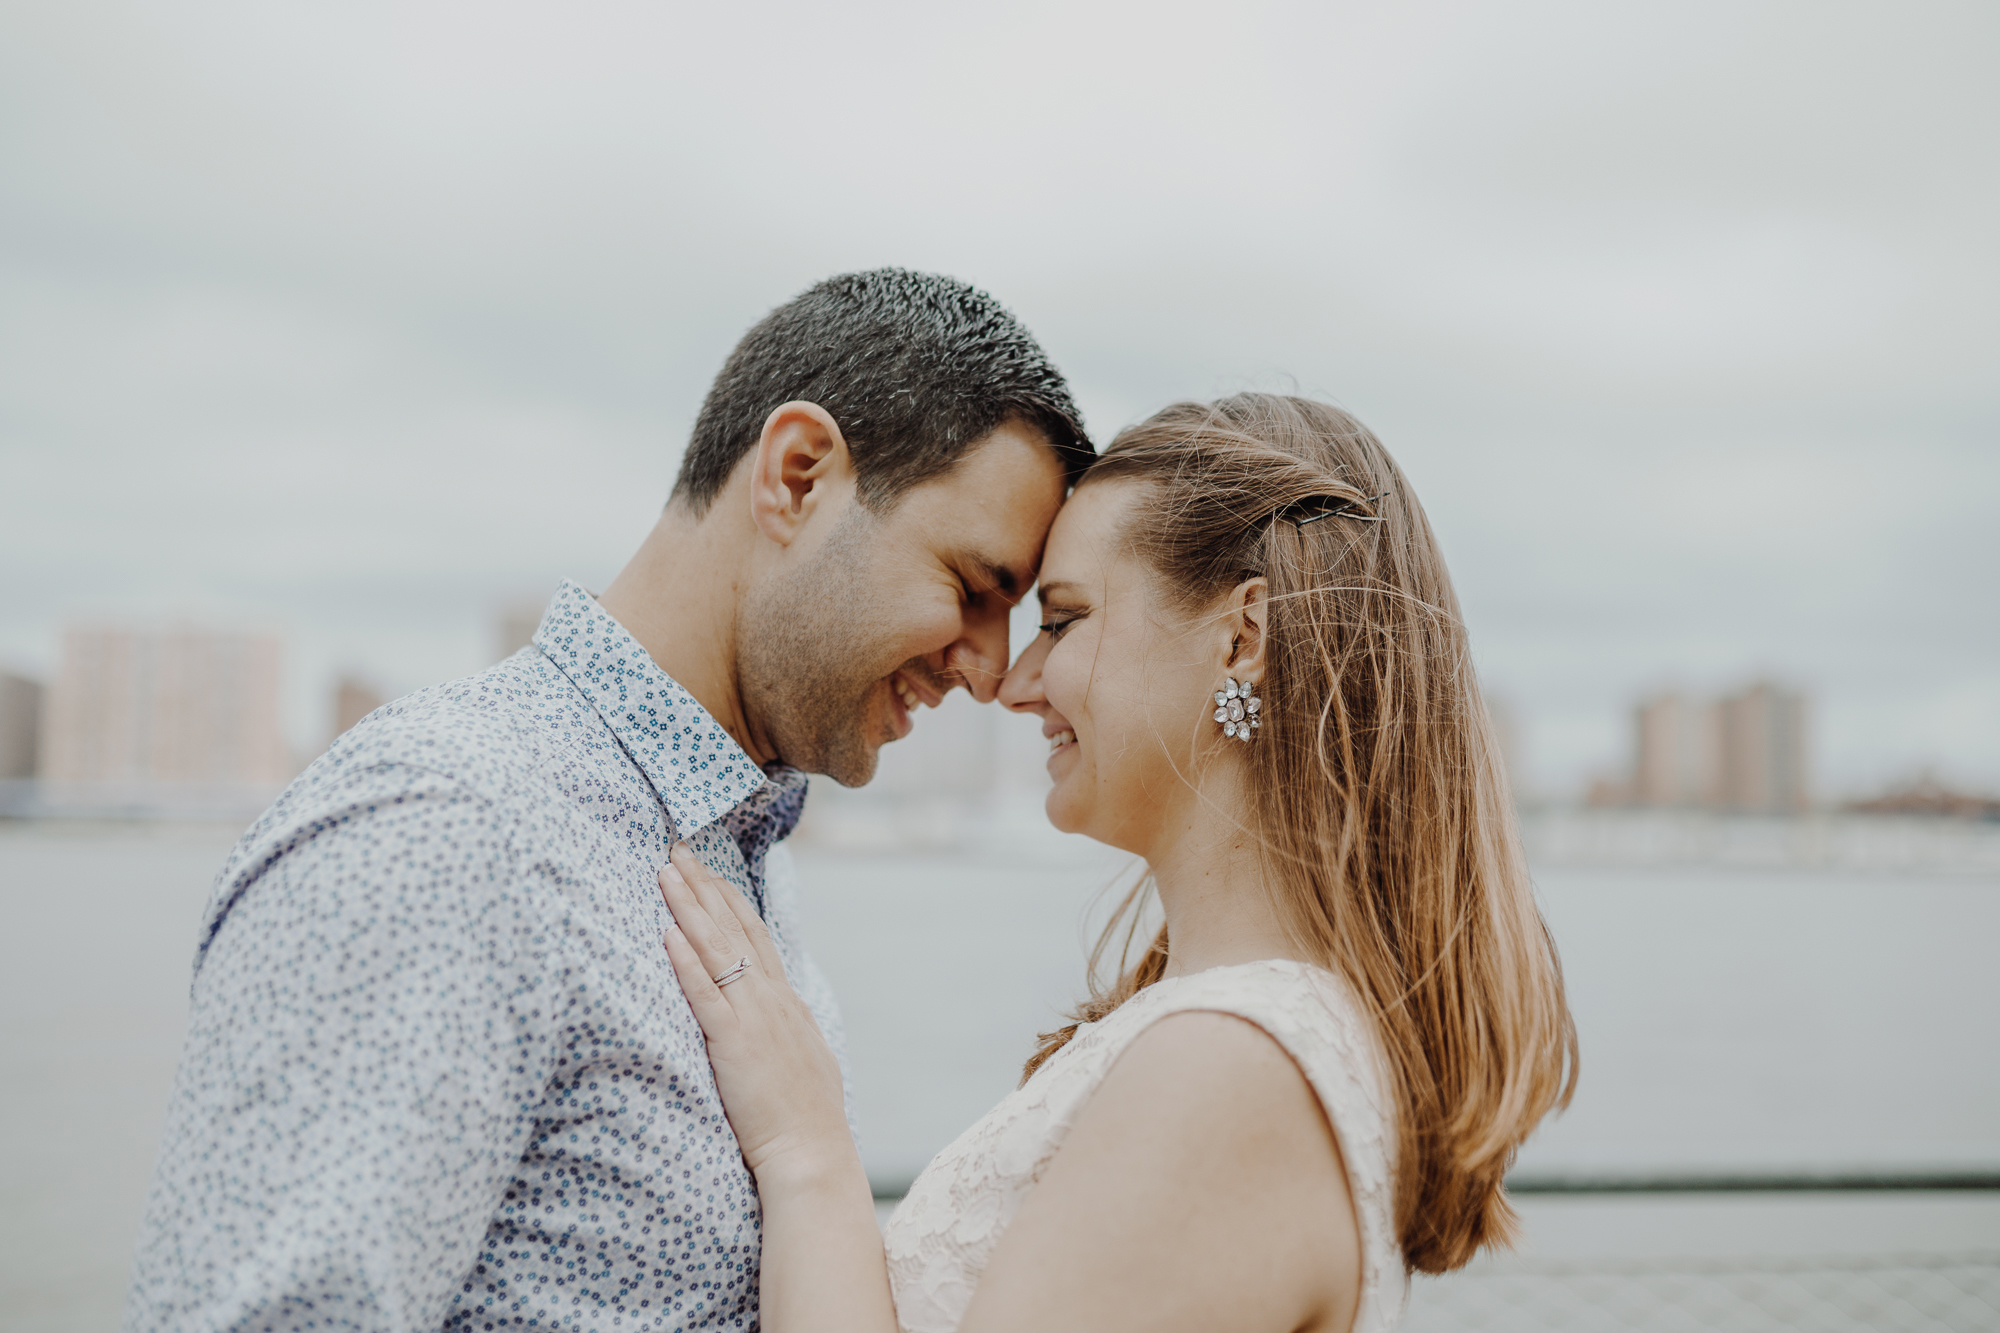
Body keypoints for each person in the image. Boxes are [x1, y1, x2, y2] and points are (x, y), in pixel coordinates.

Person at [124, 269, 1092, 1332]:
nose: (992, 670)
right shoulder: (443, 833)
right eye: (970, 586)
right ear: (797, 475)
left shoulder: (739, 851)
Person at [654, 393, 1580, 1333]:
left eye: (1063, 618)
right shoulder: (1243, 1039)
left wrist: (804, 1152)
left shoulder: (1230, 1071)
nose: (1014, 682)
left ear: (1243, 635)